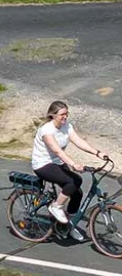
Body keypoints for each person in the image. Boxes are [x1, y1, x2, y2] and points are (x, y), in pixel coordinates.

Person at [32, 100, 104, 240]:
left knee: (77, 191)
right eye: (62, 114)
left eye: (67, 114)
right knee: (71, 181)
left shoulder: (67, 126)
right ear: (53, 115)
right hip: (42, 164)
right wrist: (73, 164)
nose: (65, 117)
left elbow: (79, 141)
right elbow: (57, 151)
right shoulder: (47, 130)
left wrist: (97, 153)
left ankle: (69, 226)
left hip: (57, 163)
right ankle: (56, 206)